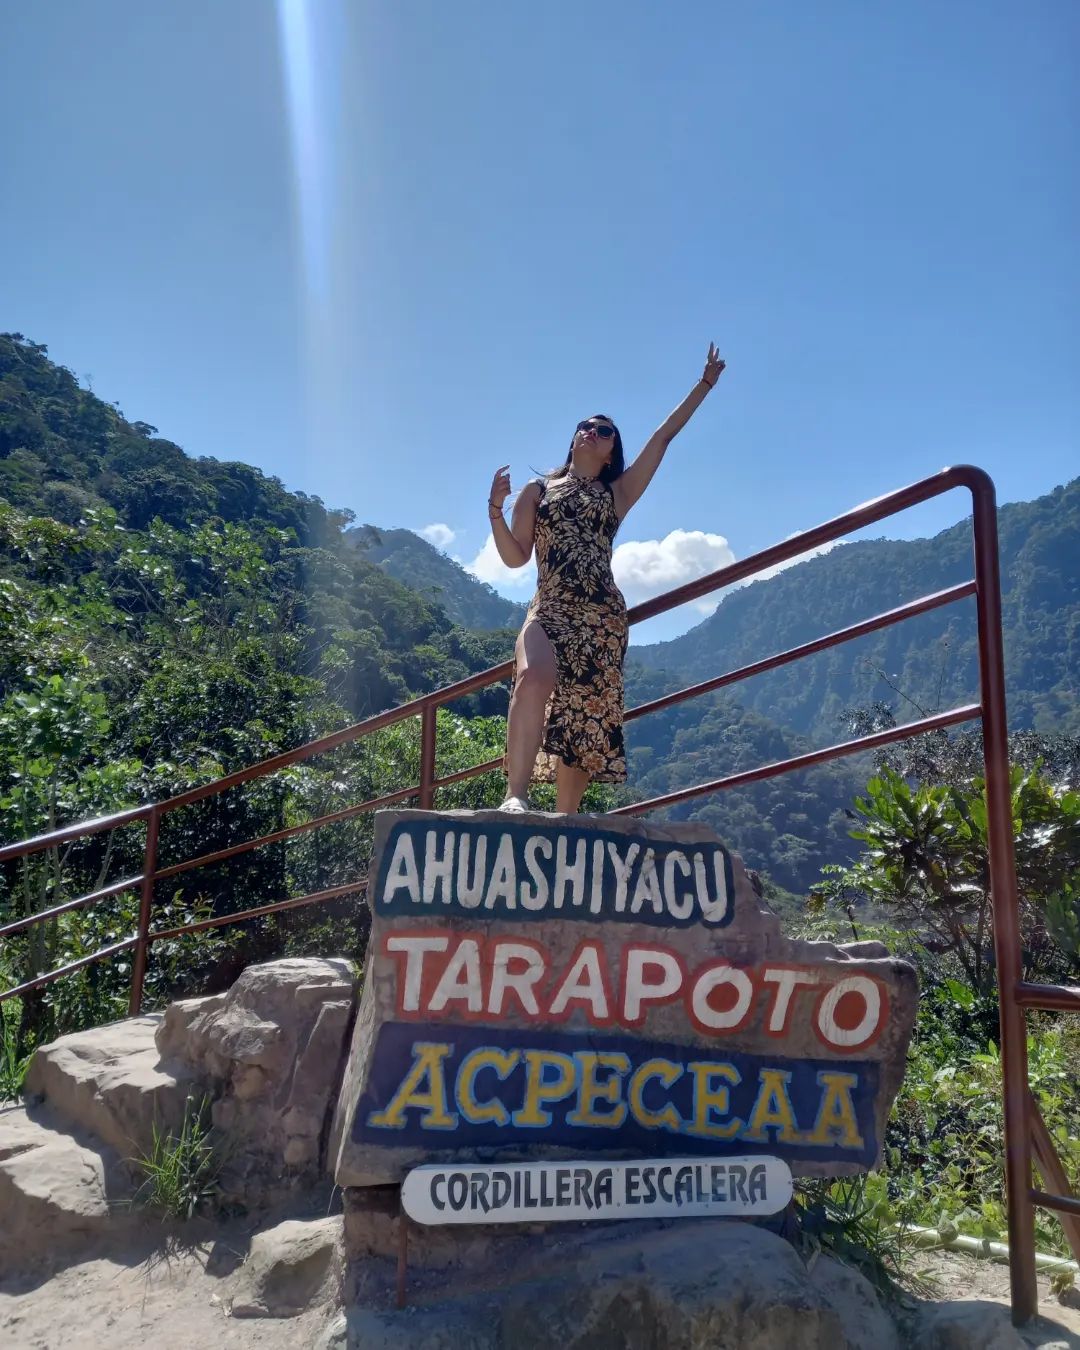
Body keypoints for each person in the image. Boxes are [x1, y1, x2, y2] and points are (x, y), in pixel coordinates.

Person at [487, 343, 726, 815]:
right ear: (574, 437)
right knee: (533, 678)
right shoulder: (538, 491)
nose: (592, 432)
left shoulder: (616, 493)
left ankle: (565, 818)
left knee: (584, 711)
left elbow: (661, 439)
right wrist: (494, 510)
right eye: (586, 426)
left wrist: (703, 386)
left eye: (604, 431)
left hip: (602, 616)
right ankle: (516, 795)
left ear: (613, 447)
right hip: (551, 606)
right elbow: (516, 557)